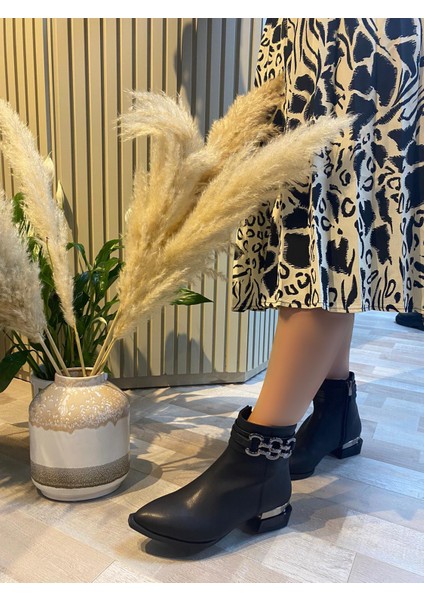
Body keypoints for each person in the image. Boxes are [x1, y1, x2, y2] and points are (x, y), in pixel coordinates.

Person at [128, 18, 424, 550]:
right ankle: (336, 414)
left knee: (325, 231)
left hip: (349, 34)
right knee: (325, 229)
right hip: (302, 39)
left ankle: (256, 467)